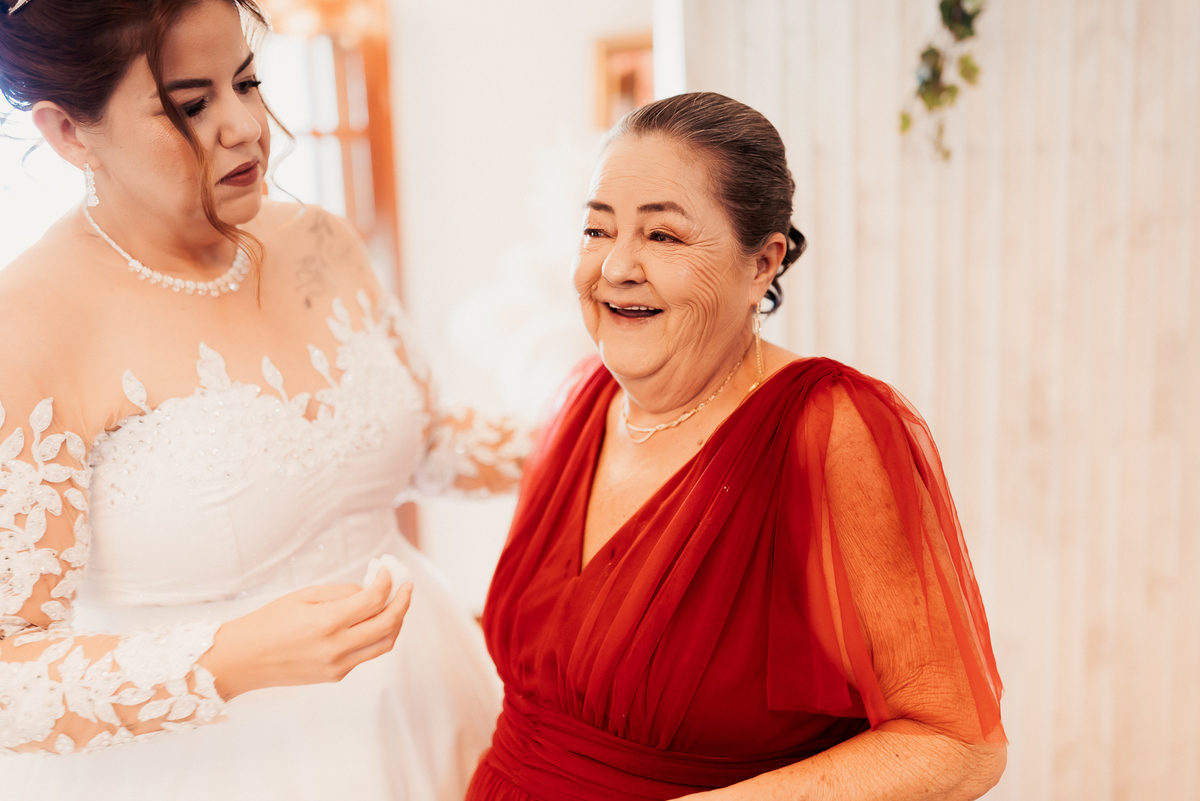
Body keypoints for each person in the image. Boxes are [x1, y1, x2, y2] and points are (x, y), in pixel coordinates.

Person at [0, 1, 519, 798]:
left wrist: (618, 433)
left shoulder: (319, 240)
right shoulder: (30, 327)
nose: (245, 127)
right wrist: (229, 656)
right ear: (69, 131)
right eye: (191, 104)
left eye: (246, 82)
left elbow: (422, 441)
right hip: (212, 767)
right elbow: (10, 673)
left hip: (424, 702)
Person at [466, 92, 1006, 801]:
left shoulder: (827, 427)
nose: (616, 266)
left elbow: (957, 742)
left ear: (761, 265)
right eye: (598, 230)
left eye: (662, 236)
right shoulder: (578, 402)